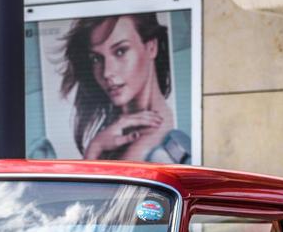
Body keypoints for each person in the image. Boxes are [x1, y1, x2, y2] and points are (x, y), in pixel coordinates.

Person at [59, 14, 190, 164]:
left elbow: (90, 188)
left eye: (120, 51)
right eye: (96, 59)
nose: (107, 72)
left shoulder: (140, 149)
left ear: (151, 47)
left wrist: (95, 148)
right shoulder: (123, 129)